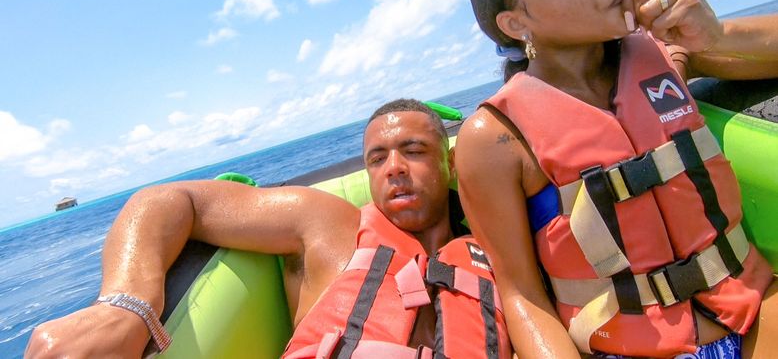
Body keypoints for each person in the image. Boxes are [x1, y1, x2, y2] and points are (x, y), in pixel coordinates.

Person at [455, 0, 778, 358]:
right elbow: (523, 298)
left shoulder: (665, 51)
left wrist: (715, 34)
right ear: (516, 23)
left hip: (760, 309)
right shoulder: (494, 138)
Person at [25, 99, 512, 359]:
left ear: (449, 163)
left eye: (414, 150)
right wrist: (128, 307)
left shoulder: (500, 248)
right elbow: (172, 201)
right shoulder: (329, 224)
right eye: (377, 158)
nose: (394, 168)